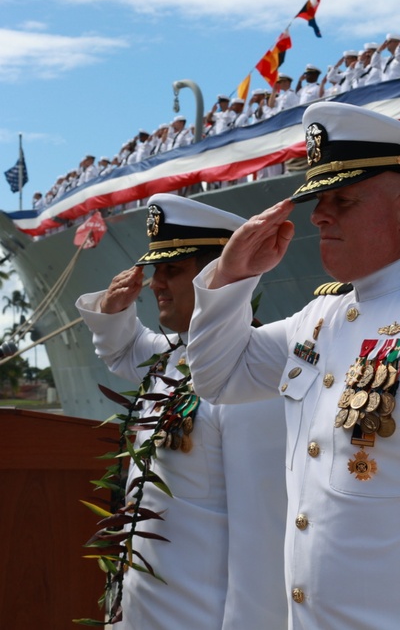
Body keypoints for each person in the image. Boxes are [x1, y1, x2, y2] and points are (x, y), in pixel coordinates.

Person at [184, 102, 400, 629]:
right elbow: (217, 376)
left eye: (341, 200)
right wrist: (231, 279)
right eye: (318, 199)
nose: (319, 215)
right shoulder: (321, 317)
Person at [75, 194, 287, 630]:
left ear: (214, 277)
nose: (155, 284)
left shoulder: (250, 378)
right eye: (155, 271)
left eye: (172, 271)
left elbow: (262, 537)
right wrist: (115, 311)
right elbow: (127, 351)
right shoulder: (176, 356)